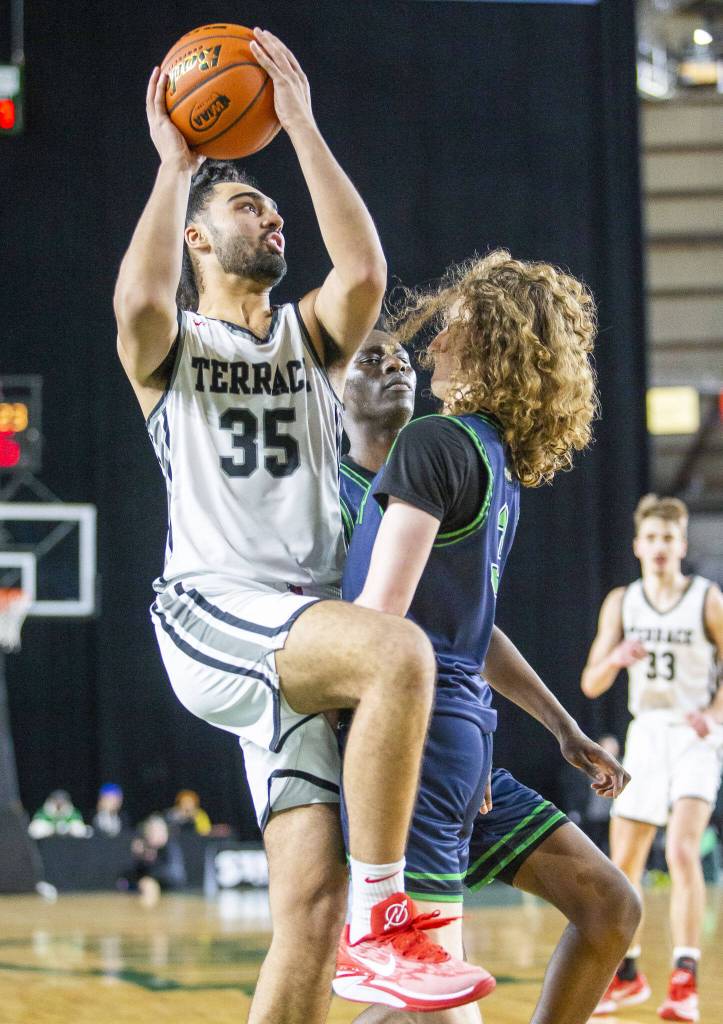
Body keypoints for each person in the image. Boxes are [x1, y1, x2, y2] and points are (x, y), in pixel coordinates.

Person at [114, 28, 486, 1022]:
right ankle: (387, 924)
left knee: (305, 914)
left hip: (304, 640)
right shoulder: (174, 346)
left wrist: (303, 127)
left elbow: (363, 267)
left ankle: (354, 925)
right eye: (249, 205)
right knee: (396, 653)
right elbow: (139, 295)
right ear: (198, 239)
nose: (274, 218)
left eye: (276, 209)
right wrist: (175, 170)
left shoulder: (305, 338)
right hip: (214, 610)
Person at [336, 253, 642, 1024]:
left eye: (450, 329)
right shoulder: (446, 447)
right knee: (437, 1005)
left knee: (610, 908)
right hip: (423, 746)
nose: (433, 343)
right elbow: (384, 630)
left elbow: (457, 622)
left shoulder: (465, 449)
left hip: (457, 747)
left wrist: (563, 727)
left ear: (490, 344)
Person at [582, 494, 723, 1022]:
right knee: (624, 868)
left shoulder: (707, 599)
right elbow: (591, 683)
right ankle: (628, 975)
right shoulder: (623, 602)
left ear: (681, 545)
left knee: (684, 852)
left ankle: (685, 979)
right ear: (638, 545)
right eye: (653, 538)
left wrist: (714, 711)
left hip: (694, 735)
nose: (661, 547)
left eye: (670, 539)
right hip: (645, 736)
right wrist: (616, 658)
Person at [125, 813, 186, 907]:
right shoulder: (143, 848)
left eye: (160, 831)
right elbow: (132, 875)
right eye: (152, 831)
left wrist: (151, 879)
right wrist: (140, 857)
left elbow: (176, 876)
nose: (156, 834)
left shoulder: (170, 847)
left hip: (171, 897)